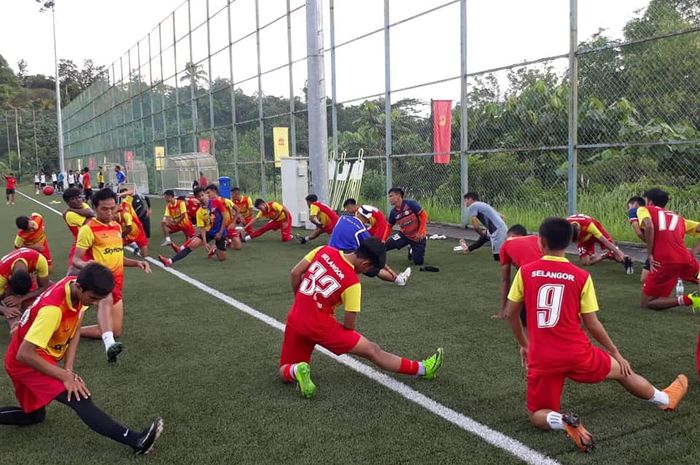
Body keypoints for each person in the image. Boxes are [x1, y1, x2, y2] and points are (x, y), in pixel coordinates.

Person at [504, 217, 688, 452]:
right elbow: (592, 324)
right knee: (622, 371)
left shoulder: (526, 272)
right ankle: (665, 399)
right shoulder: (581, 276)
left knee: (537, 415)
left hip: (543, 358)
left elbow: (511, 314)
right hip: (577, 353)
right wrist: (616, 353)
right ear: (570, 242)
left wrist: (524, 344)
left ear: (540, 242)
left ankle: (562, 421)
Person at [0, 263, 163, 454]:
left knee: (35, 417)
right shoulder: (52, 310)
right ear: (79, 287)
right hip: (25, 363)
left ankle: (136, 440)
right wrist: (64, 376)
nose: (94, 303)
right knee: (80, 398)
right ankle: (137, 440)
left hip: (36, 355)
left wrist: (68, 368)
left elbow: (76, 326)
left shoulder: (74, 286)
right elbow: (24, 354)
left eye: (99, 300)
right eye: (93, 298)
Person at [278, 237, 443, 398]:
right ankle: (423, 369)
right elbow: (349, 326)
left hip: (296, 318)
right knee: (373, 350)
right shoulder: (352, 283)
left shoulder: (323, 250)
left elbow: (295, 272)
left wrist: (300, 300)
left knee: (285, 370)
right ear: (365, 264)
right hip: (321, 327)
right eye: (367, 270)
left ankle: (295, 371)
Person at [73, 188, 151, 363]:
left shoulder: (116, 226)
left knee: (116, 330)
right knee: (105, 300)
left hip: (118, 282)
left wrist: (136, 262)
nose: (109, 212)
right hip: (100, 281)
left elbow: (117, 256)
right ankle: (109, 345)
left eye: (112, 208)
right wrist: (88, 266)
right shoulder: (88, 229)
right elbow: (76, 259)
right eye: (104, 209)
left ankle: (73, 331)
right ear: (94, 208)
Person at [637, 188, 699, 312]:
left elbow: (648, 225)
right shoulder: (678, 217)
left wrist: (650, 254)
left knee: (647, 303)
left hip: (665, 260)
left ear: (649, 201)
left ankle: (690, 299)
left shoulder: (644, 209)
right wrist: (694, 252)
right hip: (686, 258)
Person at [329, 210, 411, 286]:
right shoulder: (362, 231)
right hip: (348, 255)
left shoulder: (343, 217)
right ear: (368, 219)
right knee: (372, 267)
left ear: (357, 213)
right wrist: (389, 269)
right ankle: (398, 279)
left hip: (330, 251)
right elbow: (374, 254)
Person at [158, 187, 226, 266]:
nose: (201, 198)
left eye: (202, 195)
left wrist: (220, 232)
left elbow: (224, 217)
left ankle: (214, 249)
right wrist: (204, 242)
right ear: (196, 198)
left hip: (220, 232)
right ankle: (169, 261)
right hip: (208, 232)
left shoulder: (216, 202)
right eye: (198, 196)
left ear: (205, 194)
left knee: (222, 258)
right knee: (191, 246)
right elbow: (202, 228)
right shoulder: (199, 212)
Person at [491, 224, 542, 321]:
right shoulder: (536, 238)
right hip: (556, 275)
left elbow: (505, 280)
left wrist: (502, 310)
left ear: (509, 235)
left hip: (532, 279)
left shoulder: (506, 245)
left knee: (522, 316)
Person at [0, 248, 51, 328]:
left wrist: (22, 298)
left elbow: (44, 286)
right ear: (9, 278)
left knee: (52, 288)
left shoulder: (39, 260)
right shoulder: (1, 276)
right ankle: (15, 327)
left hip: (30, 275)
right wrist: (4, 310)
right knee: (9, 301)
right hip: (6, 283)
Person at [566, 214, 632, 272]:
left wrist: (620, 253)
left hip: (597, 230)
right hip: (584, 239)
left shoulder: (589, 225)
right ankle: (606, 255)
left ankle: (624, 260)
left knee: (616, 253)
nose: (577, 241)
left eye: (577, 238)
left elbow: (605, 241)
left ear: (579, 230)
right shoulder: (564, 225)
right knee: (586, 262)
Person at [458, 192, 508, 261]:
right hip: (499, 229)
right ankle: (467, 249)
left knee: (497, 257)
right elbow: (501, 216)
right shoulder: (483, 204)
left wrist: (481, 233)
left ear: (470, 199)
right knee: (482, 239)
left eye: (465, 200)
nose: (465, 203)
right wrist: (489, 229)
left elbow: (475, 226)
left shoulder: (473, 206)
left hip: (498, 231)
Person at [385, 188, 428, 265]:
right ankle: (375, 260)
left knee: (418, 262)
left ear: (398, 196)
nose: (389, 199)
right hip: (403, 236)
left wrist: (421, 231)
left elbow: (423, 215)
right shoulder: (393, 212)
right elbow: (389, 226)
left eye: (391, 196)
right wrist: (383, 239)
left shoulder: (411, 204)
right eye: (389, 196)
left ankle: (411, 249)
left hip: (418, 237)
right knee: (385, 245)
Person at [62, 187, 94, 275]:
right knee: (74, 275)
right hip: (80, 246)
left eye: (79, 197)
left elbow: (91, 213)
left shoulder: (80, 206)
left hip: (90, 244)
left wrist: (72, 209)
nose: (78, 200)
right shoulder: (69, 215)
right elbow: (90, 222)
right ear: (68, 202)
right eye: (73, 199)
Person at [627, 196, 651, 283]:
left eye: (628, 206)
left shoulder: (633, 210)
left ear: (635, 204)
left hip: (659, 242)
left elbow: (639, 232)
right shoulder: (649, 211)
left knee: (644, 279)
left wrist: (650, 243)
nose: (628, 209)